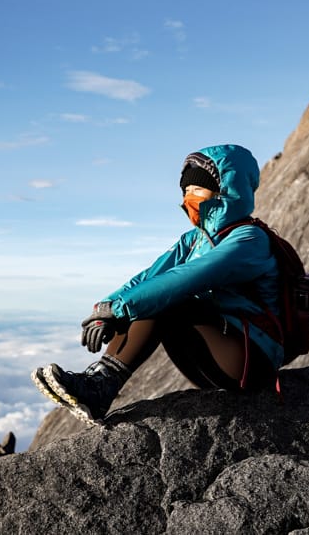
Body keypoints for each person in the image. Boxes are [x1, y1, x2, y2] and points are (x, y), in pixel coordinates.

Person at [31, 144, 284, 425]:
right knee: (146, 297)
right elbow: (148, 278)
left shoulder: (249, 240)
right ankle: (98, 385)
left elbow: (187, 278)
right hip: (214, 358)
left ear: (225, 191)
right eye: (185, 190)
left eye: (197, 189)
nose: (188, 197)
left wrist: (120, 308)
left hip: (251, 360)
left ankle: (100, 388)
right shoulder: (194, 239)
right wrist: (105, 309)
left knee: (168, 299)